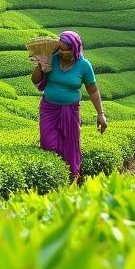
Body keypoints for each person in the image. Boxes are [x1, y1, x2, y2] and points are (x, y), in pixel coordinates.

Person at [30, 30, 107, 180]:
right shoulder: (51, 58)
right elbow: (35, 80)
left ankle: (71, 179)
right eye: (60, 48)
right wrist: (40, 65)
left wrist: (100, 113)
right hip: (49, 108)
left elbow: (93, 90)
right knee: (48, 143)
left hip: (70, 110)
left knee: (70, 145)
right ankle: (53, 179)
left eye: (66, 49)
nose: (62, 52)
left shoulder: (84, 65)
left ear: (75, 49)